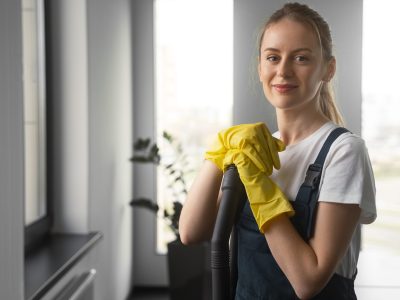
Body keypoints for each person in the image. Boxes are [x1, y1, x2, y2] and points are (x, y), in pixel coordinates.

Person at [179, 2, 376, 299]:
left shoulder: (343, 152)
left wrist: (263, 193)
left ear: (328, 69)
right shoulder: (252, 150)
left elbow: (308, 281)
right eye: (273, 57)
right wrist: (219, 151)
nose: (283, 71)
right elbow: (192, 232)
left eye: (301, 58)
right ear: (260, 68)